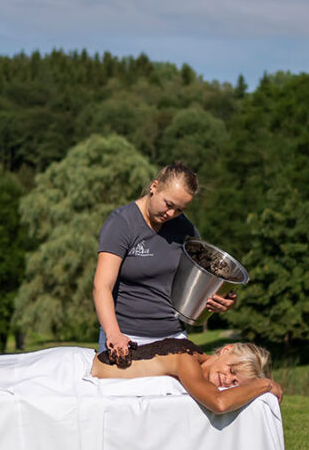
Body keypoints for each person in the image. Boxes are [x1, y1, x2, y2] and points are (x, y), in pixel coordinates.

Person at [93, 162, 235, 365]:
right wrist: (114, 334)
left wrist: (223, 299)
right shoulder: (122, 223)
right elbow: (101, 286)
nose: (171, 214)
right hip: (125, 338)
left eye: (179, 209)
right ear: (154, 186)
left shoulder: (184, 228)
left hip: (174, 338)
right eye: (168, 205)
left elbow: (204, 279)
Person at [92, 340, 281, 414]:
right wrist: (265, 384)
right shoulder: (186, 359)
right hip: (77, 374)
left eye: (235, 383)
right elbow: (219, 403)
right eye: (232, 370)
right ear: (226, 350)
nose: (226, 379)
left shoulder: (194, 353)